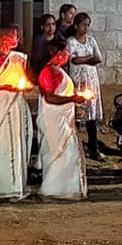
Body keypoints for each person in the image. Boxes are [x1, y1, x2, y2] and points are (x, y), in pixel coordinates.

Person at [0, 28, 34, 201]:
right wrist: (5, 87)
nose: (15, 39)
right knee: (1, 144)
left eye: (17, 37)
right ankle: (0, 188)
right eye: (11, 36)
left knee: (17, 144)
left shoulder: (18, 58)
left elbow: (27, 80)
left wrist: (26, 86)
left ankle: (16, 187)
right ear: (2, 39)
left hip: (16, 102)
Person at [36, 40, 90, 200]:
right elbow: (50, 97)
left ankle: (66, 188)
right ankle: (53, 189)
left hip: (65, 118)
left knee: (68, 153)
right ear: (56, 53)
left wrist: (76, 98)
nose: (67, 55)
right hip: (54, 118)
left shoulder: (59, 71)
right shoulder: (47, 72)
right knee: (58, 153)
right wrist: (72, 98)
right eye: (65, 52)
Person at [62, 12, 106, 159]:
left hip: (91, 80)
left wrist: (84, 59)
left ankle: (93, 147)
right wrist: (88, 58)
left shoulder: (91, 41)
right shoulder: (70, 42)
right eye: (83, 25)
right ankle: (74, 148)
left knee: (91, 116)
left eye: (88, 25)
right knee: (78, 114)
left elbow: (98, 58)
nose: (86, 28)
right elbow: (73, 60)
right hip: (77, 80)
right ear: (76, 26)